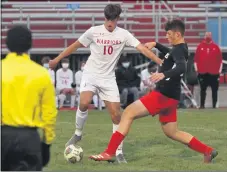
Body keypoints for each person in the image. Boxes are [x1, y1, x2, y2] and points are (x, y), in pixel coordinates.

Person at [89, 19, 218, 163]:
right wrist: (156, 44)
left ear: (177, 34)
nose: (167, 37)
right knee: (172, 132)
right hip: (171, 97)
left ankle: (110, 152)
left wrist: (164, 74)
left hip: (163, 95)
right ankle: (207, 151)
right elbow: (170, 54)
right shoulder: (179, 48)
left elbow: (181, 67)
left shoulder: (179, 50)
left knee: (128, 113)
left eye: (168, 34)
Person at [50, 4, 162, 163]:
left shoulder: (124, 34)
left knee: (117, 116)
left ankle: (118, 151)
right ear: (104, 18)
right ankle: (78, 133)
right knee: (84, 103)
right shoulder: (93, 31)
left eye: (113, 20)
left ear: (117, 19)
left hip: (108, 79)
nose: (110, 23)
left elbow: (142, 49)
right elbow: (74, 46)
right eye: (107, 19)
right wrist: (57, 59)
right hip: (91, 74)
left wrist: (158, 60)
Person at [1, 25, 57, 171]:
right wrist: (46, 143)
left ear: (7, 44)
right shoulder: (41, 74)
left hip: (3, 136)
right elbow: (49, 113)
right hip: (29, 138)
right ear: (30, 44)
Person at [194, 32, 223, 109]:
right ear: (204, 36)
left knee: (214, 91)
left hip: (214, 73)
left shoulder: (216, 47)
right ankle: (202, 105)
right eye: (206, 35)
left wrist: (219, 72)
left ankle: (214, 106)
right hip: (203, 73)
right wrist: (197, 70)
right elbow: (196, 60)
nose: (208, 36)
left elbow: (220, 61)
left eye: (209, 35)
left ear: (211, 36)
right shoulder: (200, 47)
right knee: (202, 90)